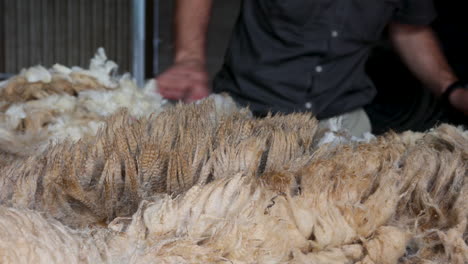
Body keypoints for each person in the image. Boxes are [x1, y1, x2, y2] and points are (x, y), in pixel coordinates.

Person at [156, 0, 468, 136]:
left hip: (343, 121)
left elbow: (410, 29)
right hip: (248, 115)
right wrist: (189, 58)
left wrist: (451, 89)